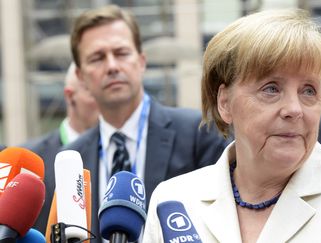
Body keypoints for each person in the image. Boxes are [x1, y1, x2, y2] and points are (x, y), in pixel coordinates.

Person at [143, 9, 321, 243]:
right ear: (224, 102)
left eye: (309, 91)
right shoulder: (174, 200)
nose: (294, 109)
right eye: (271, 88)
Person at [57, 4, 228, 241]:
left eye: (121, 53)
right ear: (81, 76)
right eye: (97, 58)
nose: (112, 66)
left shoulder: (200, 134)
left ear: (142, 61)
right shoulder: (72, 159)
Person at [23, 62, 99, 233]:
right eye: (93, 92)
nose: (105, 98)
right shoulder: (30, 160)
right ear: (70, 96)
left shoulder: (121, 153)